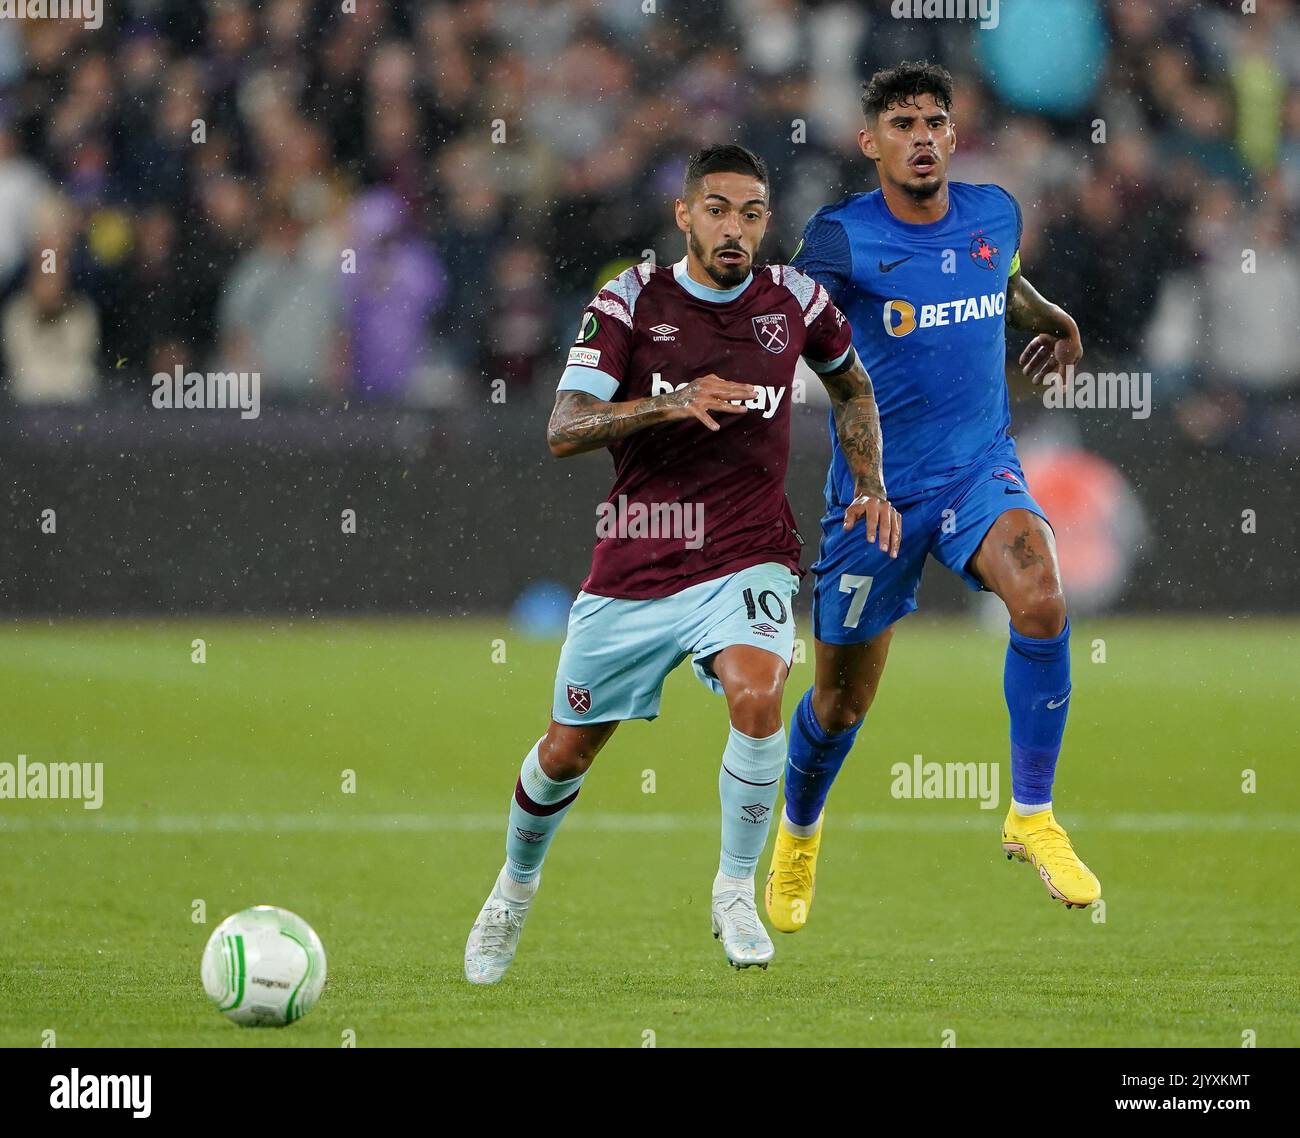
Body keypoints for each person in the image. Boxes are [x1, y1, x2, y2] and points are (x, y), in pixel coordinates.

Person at [464, 144, 900, 983]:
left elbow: (852, 387)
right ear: (684, 215)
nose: (733, 229)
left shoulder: (797, 302)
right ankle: (513, 892)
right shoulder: (630, 299)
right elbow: (563, 427)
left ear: (765, 222)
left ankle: (736, 889)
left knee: (760, 691)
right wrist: (672, 400)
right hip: (638, 559)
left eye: (750, 213)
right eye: (717, 210)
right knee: (566, 752)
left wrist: (871, 483)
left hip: (750, 554)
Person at [766, 62, 1099, 933]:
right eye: (902, 124)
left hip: (976, 468)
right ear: (869, 142)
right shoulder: (840, 239)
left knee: (1041, 594)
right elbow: (790, 335)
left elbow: (1001, 287)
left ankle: (1032, 814)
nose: (922, 136)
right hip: (876, 498)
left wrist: (1052, 317)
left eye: (935, 122)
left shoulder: (995, 212)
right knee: (839, 705)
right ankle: (799, 831)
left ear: (953, 136)